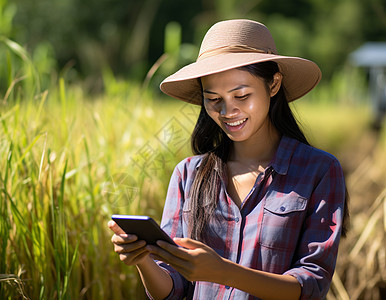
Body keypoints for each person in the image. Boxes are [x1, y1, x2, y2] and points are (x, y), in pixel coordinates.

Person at [108, 19, 348, 300]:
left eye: (241, 95)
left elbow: (312, 284)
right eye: (213, 99)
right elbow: (173, 291)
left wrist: (223, 272)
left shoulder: (318, 170)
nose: (228, 111)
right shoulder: (188, 175)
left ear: (273, 84)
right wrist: (143, 260)